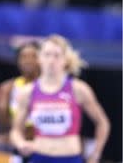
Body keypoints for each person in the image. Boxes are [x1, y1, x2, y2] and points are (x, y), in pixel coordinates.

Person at [10, 35, 110, 163]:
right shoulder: (27, 92)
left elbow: (103, 122)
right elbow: (15, 130)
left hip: (70, 157)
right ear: (39, 58)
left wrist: (95, 154)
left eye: (56, 55)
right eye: (47, 54)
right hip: (39, 157)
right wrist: (20, 143)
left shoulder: (79, 89)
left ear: (65, 60)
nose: (51, 60)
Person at [0, 42, 40, 139]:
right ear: (18, 61)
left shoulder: (49, 88)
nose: (28, 61)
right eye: (24, 57)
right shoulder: (8, 88)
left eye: (34, 56)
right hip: (17, 144)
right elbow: (2, 126)